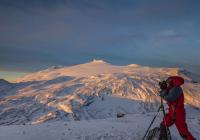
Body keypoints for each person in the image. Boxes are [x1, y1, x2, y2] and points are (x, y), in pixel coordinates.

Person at [159, 76, 196, 140]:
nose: (167, 83)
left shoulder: (177, 89)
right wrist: (163, 89)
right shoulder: (172, 88)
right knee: (163, 124)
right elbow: (167, 93)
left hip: (178, 114)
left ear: (172, 81)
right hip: (172, 113)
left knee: (184, 134)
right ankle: (163, 138)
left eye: (168, 81)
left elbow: (170, 98)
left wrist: (163, 92)